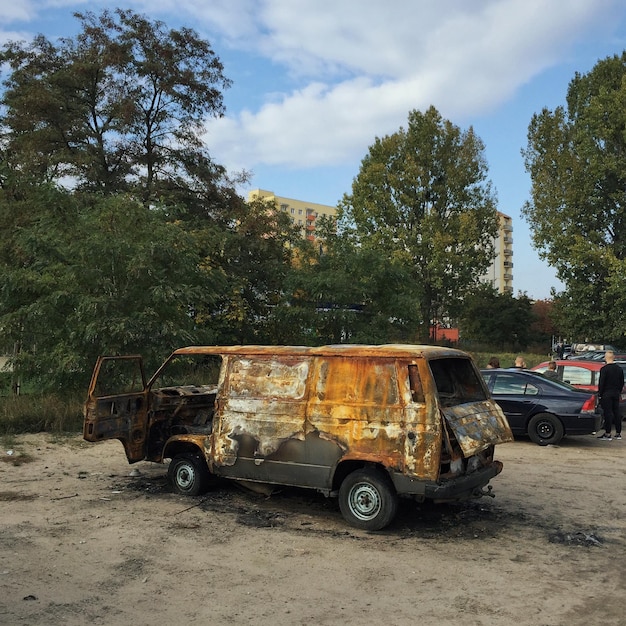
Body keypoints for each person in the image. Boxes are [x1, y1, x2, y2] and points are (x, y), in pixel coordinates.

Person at [597, 350, 624, 441]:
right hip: (616, 393)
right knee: (616, 412)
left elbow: (601, 383)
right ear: (614, 358)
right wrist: (618, 391)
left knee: (608, 413)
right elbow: (621, 382)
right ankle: (618, 433)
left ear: (605, 358)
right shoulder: (619, 369)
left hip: (606, 394)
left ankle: (608, 433)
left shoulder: (604, 369)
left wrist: (600, 394)